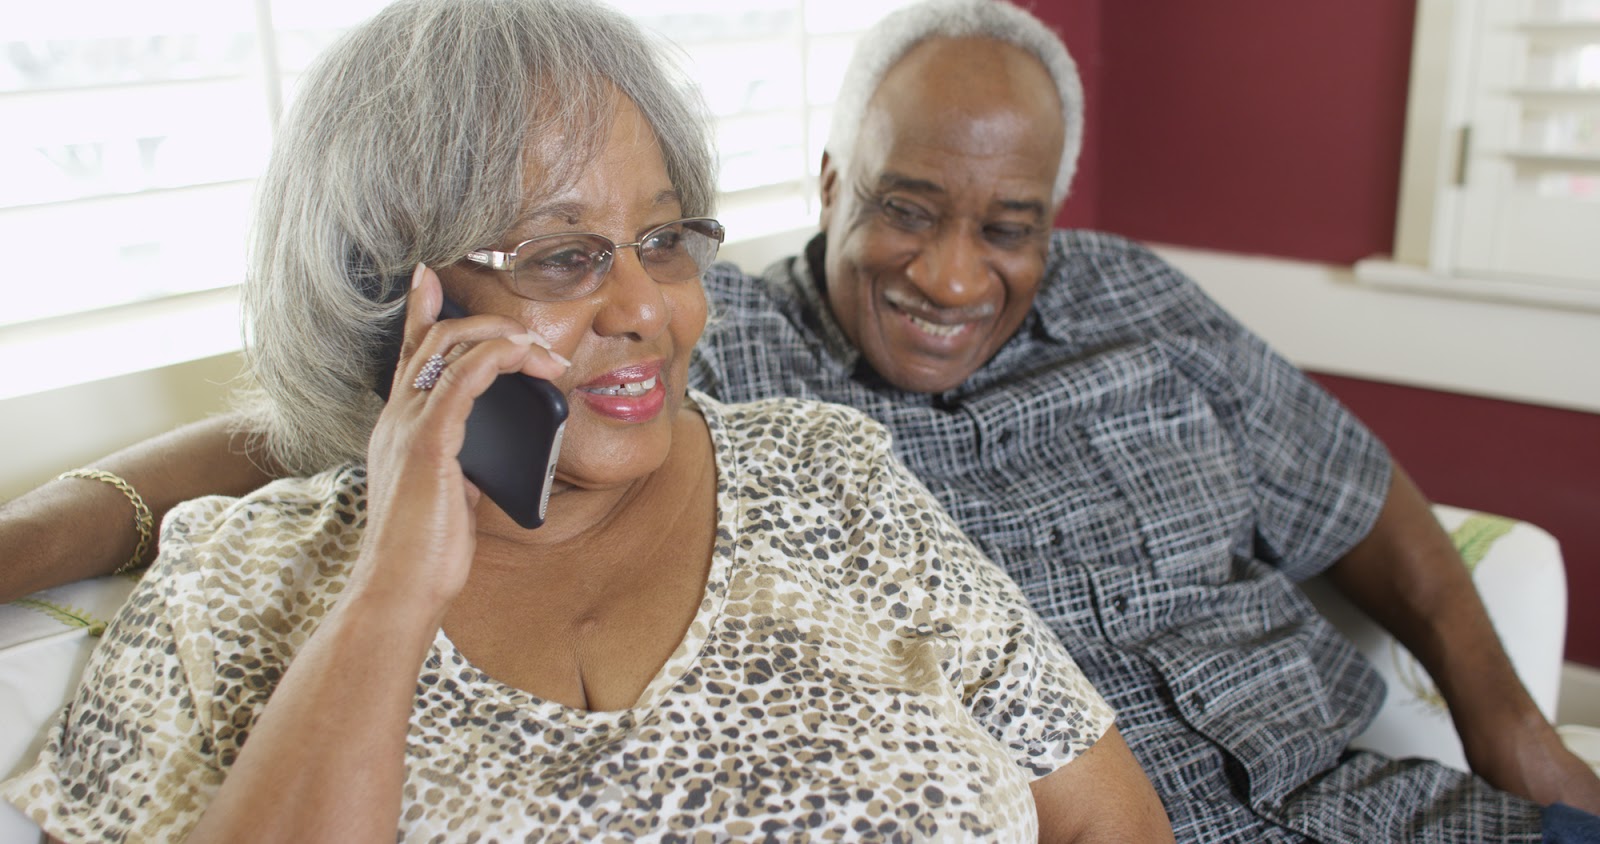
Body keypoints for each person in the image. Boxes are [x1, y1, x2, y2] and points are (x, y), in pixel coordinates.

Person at [2, 0, 1597, 842]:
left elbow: (1346, 490)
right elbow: (299, 431)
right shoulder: (733, 356)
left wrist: (1516, 727)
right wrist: (61, 526)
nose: (955, 272)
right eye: (567, 255)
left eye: (665, 237)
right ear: (830, 190)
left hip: (1398, 808)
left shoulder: (1080, 329)